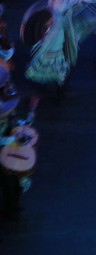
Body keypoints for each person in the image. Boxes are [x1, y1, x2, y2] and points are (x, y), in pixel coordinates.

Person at [21, 0, 96, 101]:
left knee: (62, 61)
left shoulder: (70, 1)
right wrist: (42, 23)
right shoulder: (52, 1)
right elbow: (50, 14)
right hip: (52, 34)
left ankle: (60, 89)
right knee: (45, 56)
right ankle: (57, 84)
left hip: (63, 35)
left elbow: (89, 0)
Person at [0, 61, 38, 222]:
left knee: (15, 179)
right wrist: (11, 138)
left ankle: (13, 204)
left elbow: (11, 117)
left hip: (8, 143)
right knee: (7, 181)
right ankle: (10, 208)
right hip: (3, 146)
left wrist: (22, 123)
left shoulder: (5, 95)